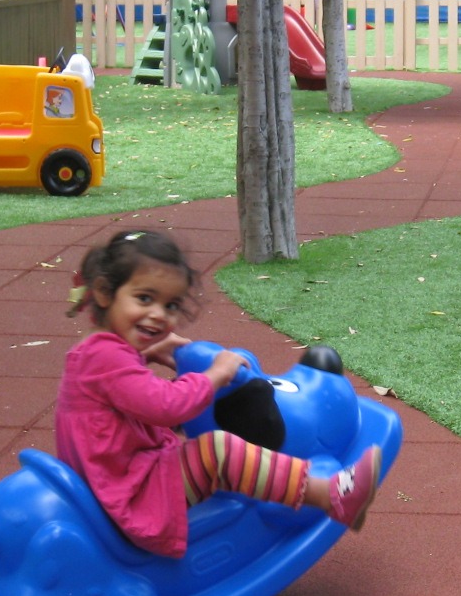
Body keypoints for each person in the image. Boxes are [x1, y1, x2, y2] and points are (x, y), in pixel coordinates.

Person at [55, 229, 382, 558]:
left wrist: (145, 354)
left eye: (170, 305)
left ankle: (287, 485)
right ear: (103, 293)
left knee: (206, 450)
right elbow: (167, 407)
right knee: (219, 451)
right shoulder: (106, 357)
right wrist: (216, 374)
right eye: (144, 298)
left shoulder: (100, 353)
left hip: (122, 480)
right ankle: (330, 494)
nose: (158, 314)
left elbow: (129, 399)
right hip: (132, 495)